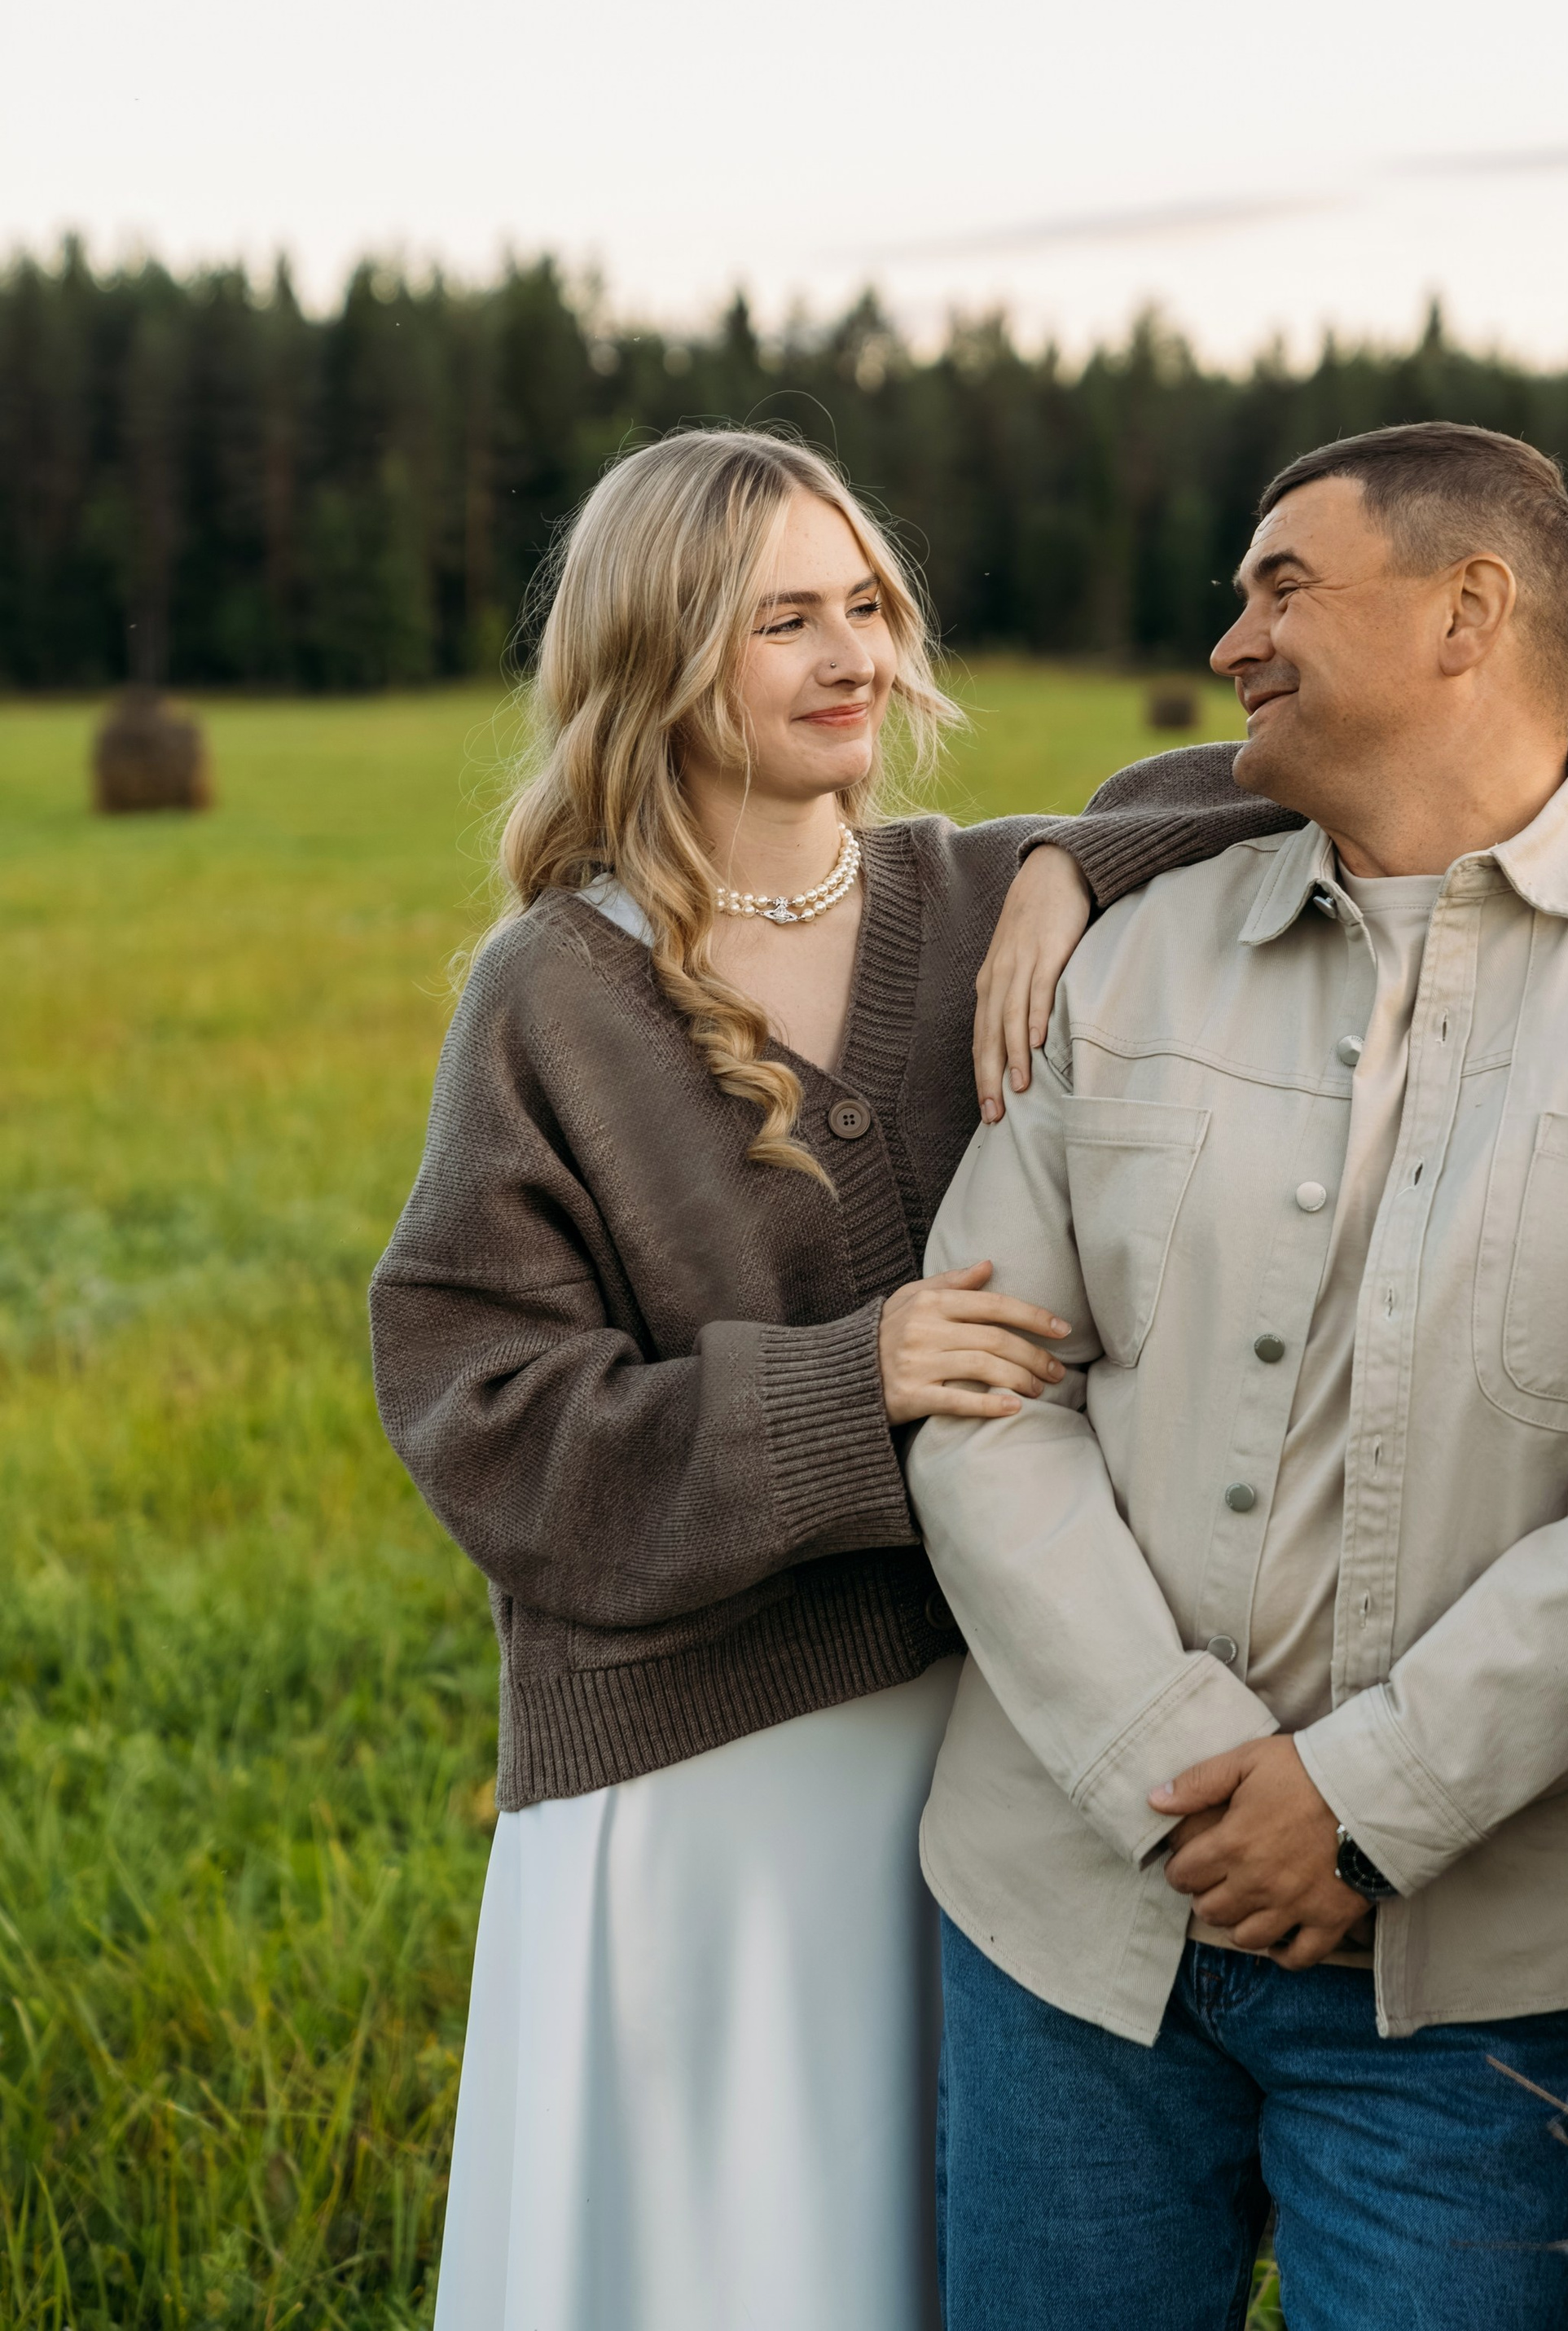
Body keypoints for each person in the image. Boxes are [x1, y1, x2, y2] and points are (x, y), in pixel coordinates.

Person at [908, 421, 1568, 2331]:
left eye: (1277, 585)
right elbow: (983, 1384)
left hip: (1474, 1985)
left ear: (1465, 612)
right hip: (1064, 1936)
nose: (1229, 638)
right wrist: (1178, 1773)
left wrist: (1365, 1803)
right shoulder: (1131, 957)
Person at [367, 425, 1280, 2331]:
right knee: (727, 2267)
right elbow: (484, 1415)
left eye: (862, 604)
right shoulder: (549, 992)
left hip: (982, 1742)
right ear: (658, 659)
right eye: (782, 620)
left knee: (909, 2257)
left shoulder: (961, 903)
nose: (850, 654)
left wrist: (1056, 868)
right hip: (699, 1771)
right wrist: (836, 1384)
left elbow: (1274, 791)